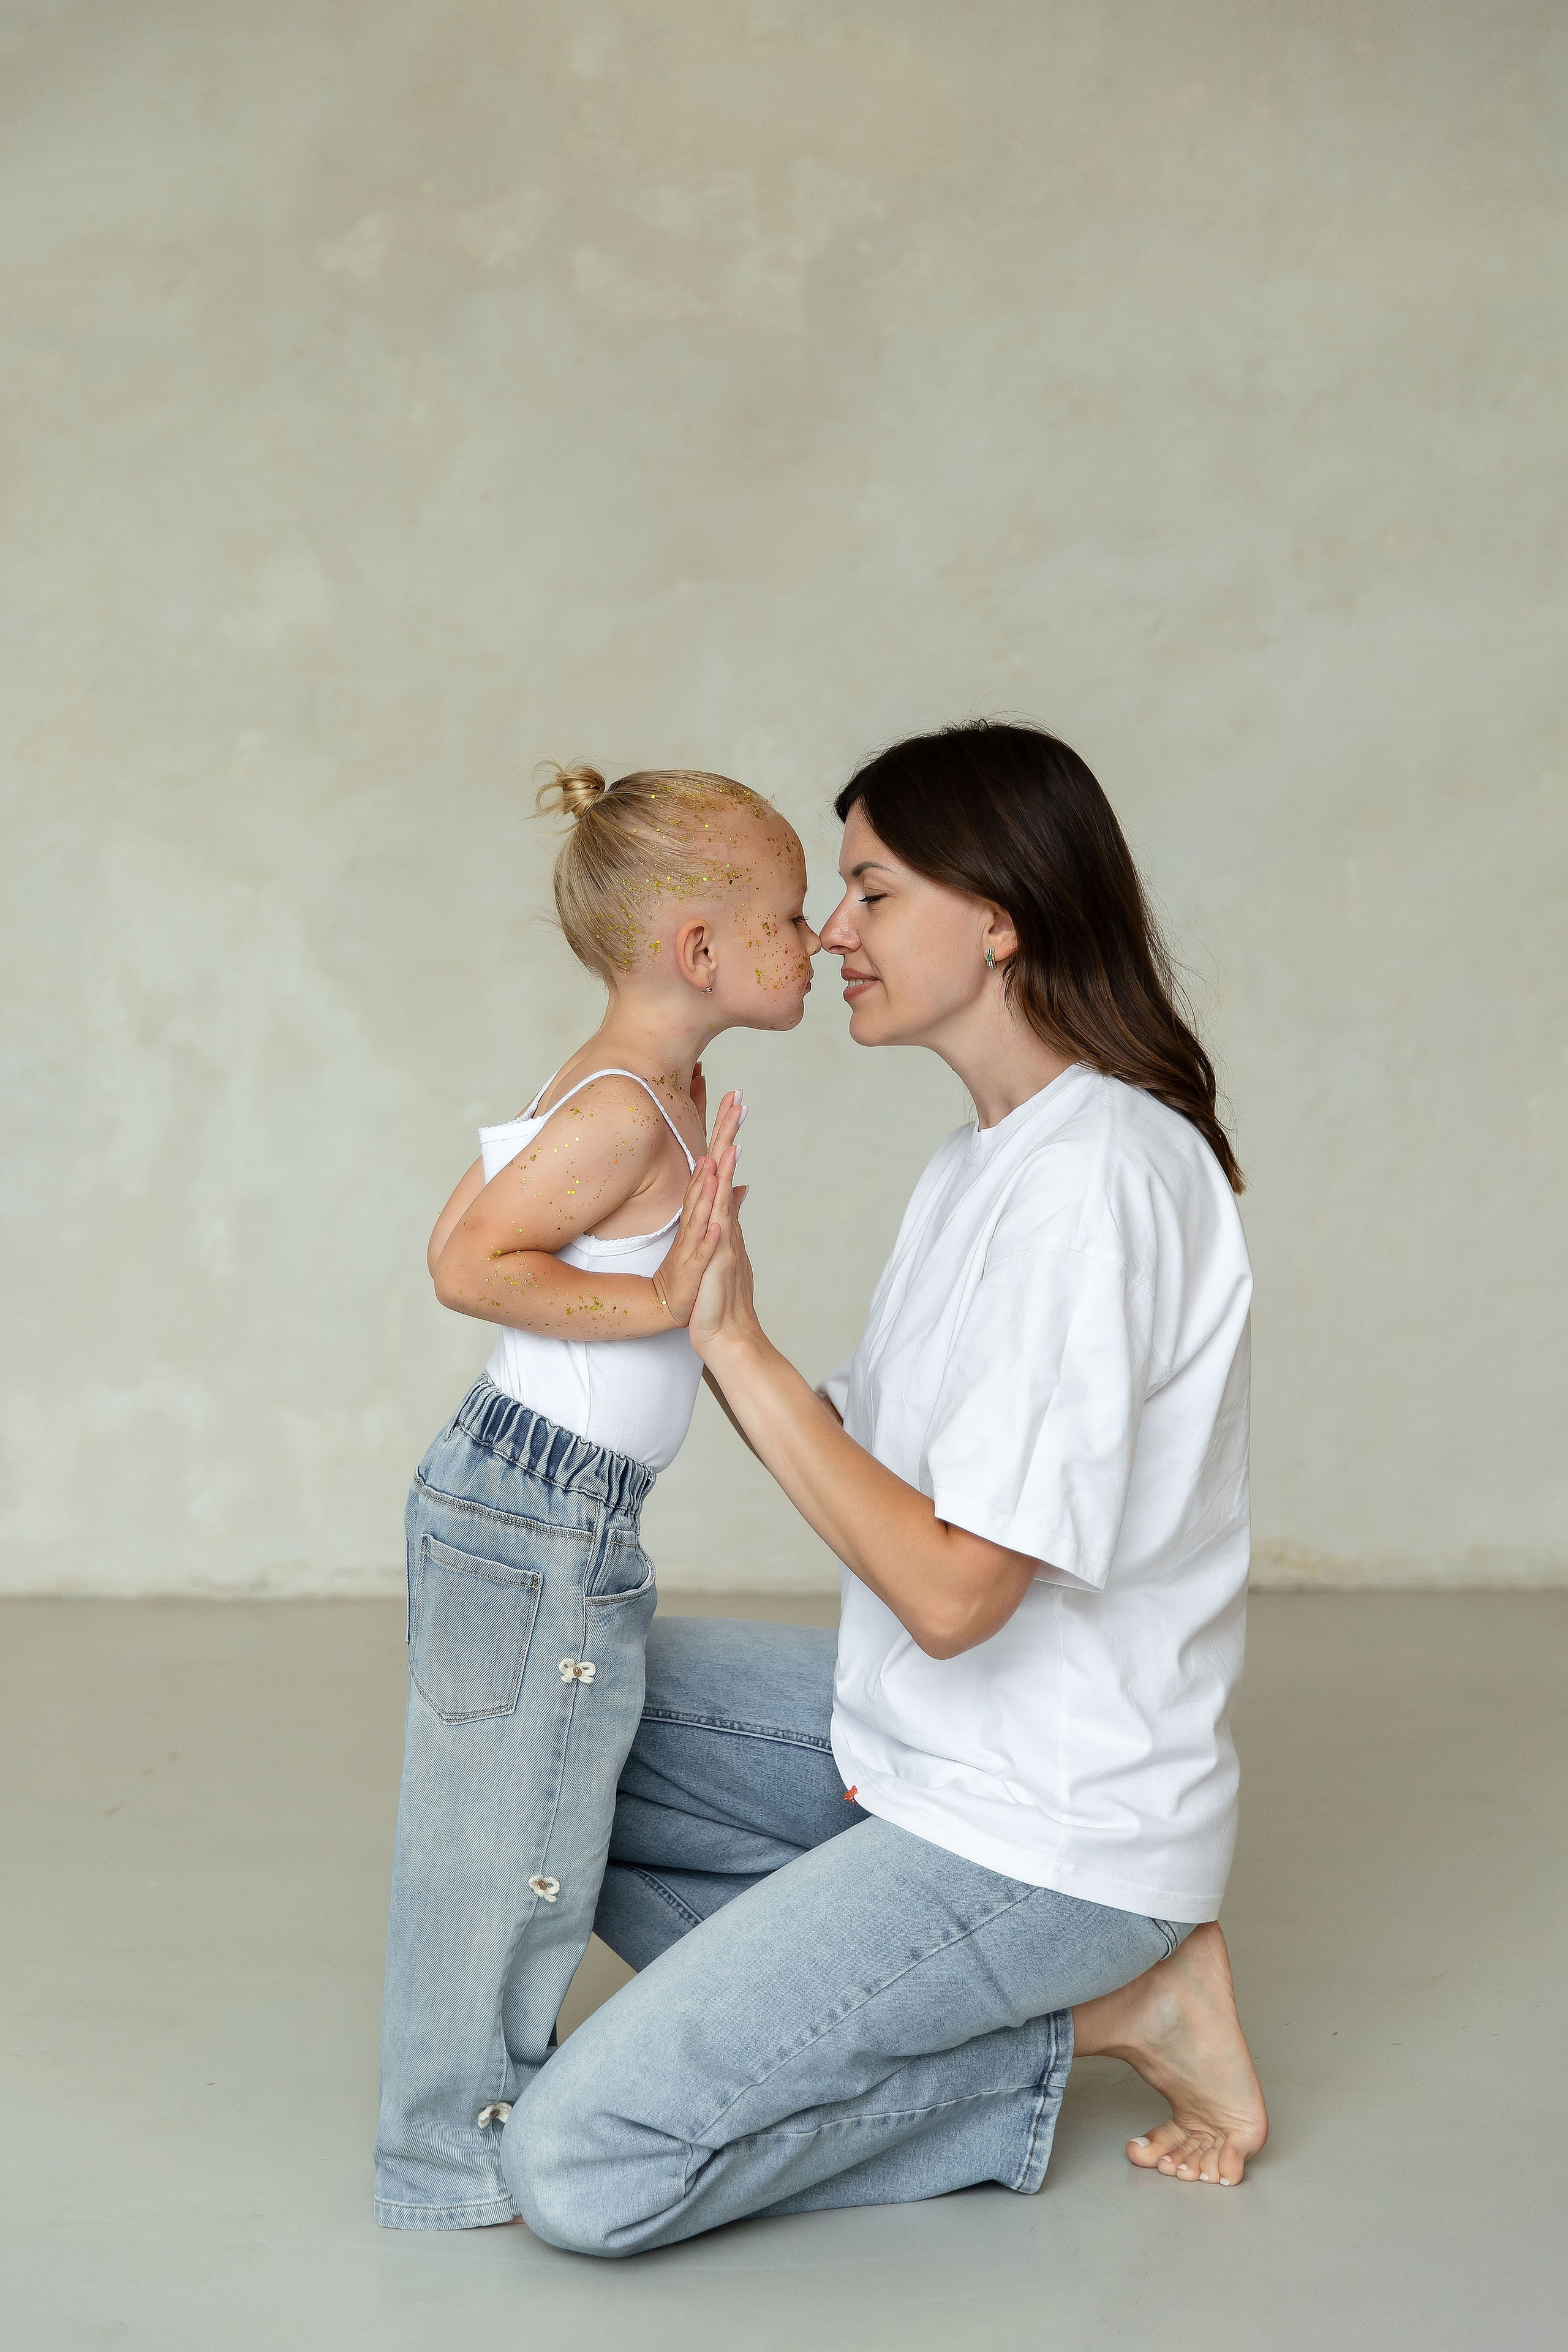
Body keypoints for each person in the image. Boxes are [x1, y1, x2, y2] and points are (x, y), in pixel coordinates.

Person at [499, 720, 1270, 2255]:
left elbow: (950, 1592)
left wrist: (733, 1340)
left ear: (994, 915)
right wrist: (655, 1286)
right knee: (546, 1686)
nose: (831, 933)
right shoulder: (979, 1163)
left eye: (867, 889)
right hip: (924, 1747)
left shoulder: (1096, 1184)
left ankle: (1117, 2005)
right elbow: (856, 1448)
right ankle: (840, 2002)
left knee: (582, 2169)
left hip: (1045, 1829)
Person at [373, 762, 817, 2231]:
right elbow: (465, 1260)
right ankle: (446, 2162)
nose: (811, 942)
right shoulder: (624, 1107)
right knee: (494, 1838)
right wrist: (662, 1306)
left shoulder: (658, 1089)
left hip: (568, 1512)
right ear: (700, 951)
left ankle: (500, 2109)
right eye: (792, 917)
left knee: (549, 1817)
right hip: (525, 1510)